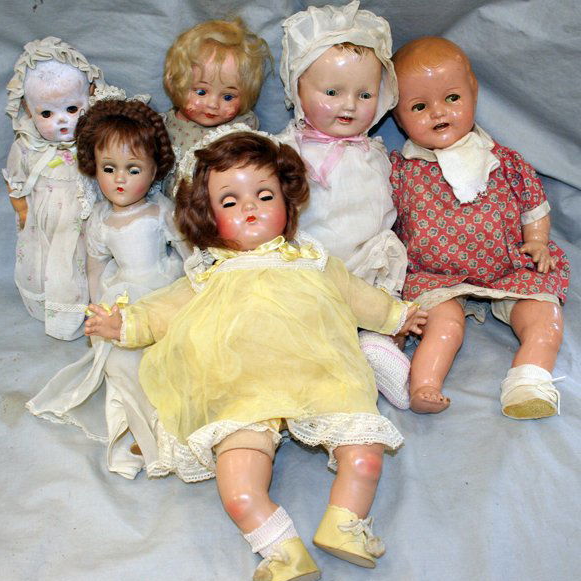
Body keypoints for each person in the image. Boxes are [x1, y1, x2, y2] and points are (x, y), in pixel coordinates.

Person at [85, 126, 427, 581]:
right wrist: (124, 323)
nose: (250, 208)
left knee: (364, 454)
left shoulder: (312, 260)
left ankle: (345, 523)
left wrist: (397, 315)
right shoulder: (208, 275)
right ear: (207, 216)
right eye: (230, 202)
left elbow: (358, 296)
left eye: (264, 196)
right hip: (238, 387)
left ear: (287, 201)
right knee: (239, 487)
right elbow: (161, 311)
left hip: (321, 373)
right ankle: (281, 549)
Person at [390, 36, 569, 418]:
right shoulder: (401, 171)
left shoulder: (502, 159)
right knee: (443, 327)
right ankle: (424, 385)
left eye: (452, 98)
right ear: (398, 118)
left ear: (474, 93)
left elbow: (533, 204)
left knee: (545, 316)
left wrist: (537, 240)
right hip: (434, 275)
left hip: (508, 266)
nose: (438, 112)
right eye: (419, 106)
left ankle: (529, 380)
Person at [26, 99, 189, 478]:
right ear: (94, 167)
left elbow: (187, 254)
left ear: (154, 170)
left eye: (133, 169)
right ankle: (137, 429)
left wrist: (195, 291)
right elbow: (96, 267)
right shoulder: (99, 218)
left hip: (163, 293)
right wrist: (97, 308)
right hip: (122, 300)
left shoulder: (161, 211)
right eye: (108, 168)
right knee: (121, 363)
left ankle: (171, 425)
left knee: (169, 358)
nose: (120, 180)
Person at [277, 0, 411, 408]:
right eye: (332, 92)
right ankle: (320, 358)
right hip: (311, 261)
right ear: (298, 90)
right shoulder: (286, 150)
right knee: (293, 306)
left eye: (364, 94)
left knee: (388, 271)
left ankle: (378, 344)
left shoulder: (375, 151)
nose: (349, 105)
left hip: (366, 260)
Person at [3, 37, 106, 340]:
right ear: (28, 109)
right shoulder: (27, 146)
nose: (61, 121)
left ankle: (90, 304)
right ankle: (51, 306)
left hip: (85, 217)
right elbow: (15, 179)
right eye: (46, 114)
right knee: (47, 261)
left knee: (84, 260)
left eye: (72, 108)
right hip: (45, 219)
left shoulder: (93, 140)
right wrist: (22, 210)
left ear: (90, 97)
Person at [161, 17, 272, 196]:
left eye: (228, 97)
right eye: (201, 92)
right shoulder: (164, 126)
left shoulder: (241, 127)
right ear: (177, 84)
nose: (213, 105)